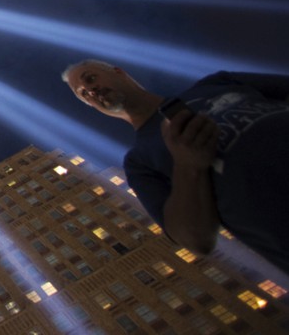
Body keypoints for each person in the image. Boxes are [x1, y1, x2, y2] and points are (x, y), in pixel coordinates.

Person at [62, 59, 289, 275]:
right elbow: (194, 240)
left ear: (118, 72)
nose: (91, 90)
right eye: (83, 94)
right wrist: (188, 165)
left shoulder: (219, 83)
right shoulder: (139, 163)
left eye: (90, 79)